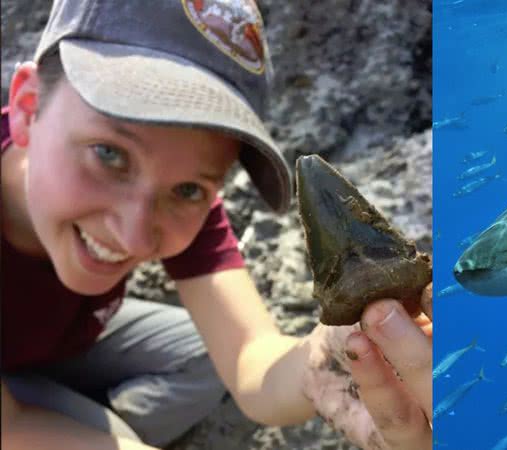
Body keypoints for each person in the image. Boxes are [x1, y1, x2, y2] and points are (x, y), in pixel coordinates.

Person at [0, 1, 432, 449]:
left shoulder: (173, 201)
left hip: (57, 341)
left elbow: (250, 361)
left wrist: (330, 357)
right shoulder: (155, 204)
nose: (134, 233)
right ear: (26, 106)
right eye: (109, 154)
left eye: (189, 190)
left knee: (203, 363)